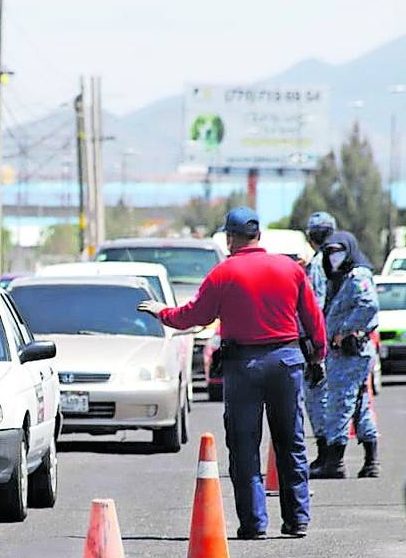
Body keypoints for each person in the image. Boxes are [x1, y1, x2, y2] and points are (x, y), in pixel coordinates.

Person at [138, 207, 326, 539]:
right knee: (291, 442)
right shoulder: (290, 269)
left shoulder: (224, 274)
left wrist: (162, 313)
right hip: (286, 363)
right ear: (258, 235)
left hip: (244, 368)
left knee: (243, 445)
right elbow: (313, 319)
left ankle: (254, 523)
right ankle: (297, 519)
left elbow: (194, 316)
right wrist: (317, 357)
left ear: (229, 238)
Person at [311, 230, 381, 479]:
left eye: (338, 251)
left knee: (339, 403)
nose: (333, 257)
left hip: (350, 351)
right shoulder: (337, 277)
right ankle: (371, 460)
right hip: (342, 352)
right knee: (358, 404)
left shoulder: (357, 275)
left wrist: (343, 330)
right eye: (329, 252)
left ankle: (335, 462)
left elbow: (369, 305)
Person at [303, 212, 336, 476]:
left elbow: (315, 307)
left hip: (322, 342)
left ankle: (328, 457)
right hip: (340, 339)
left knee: (317, 399)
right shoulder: (341, 259)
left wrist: (312, 345)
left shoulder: (317, 265)